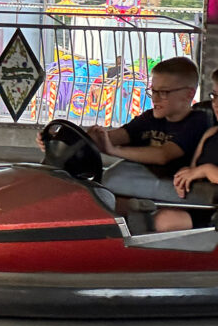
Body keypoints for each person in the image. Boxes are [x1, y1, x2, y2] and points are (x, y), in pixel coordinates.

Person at [88, 57, 210, 225]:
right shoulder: (150, 118)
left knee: (157, 219)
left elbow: (164, 154)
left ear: (188, 94)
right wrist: (86, 137)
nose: (155, 98)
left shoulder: (198, 121)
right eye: (153, 91)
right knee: (97, 203)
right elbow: (116, 136)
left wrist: (113, 151)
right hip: (143, 191)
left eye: (164, 92)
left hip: (181, 197)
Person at [150, 69, 218, 231]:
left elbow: (203, 170)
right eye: (214, 95)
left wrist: (206, 170)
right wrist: (185, 176)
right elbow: (194, 170)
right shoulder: (211, 134)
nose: (215, 103)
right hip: (203, 205)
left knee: (165, 221)